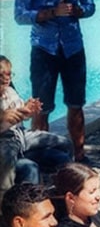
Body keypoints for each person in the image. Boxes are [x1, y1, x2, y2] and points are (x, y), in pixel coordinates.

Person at [14, 0, 95, 163]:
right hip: (43, 49)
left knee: (76, 103)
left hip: (72, 48)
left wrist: (78, 11)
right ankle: (41, 158)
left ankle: (79, 156)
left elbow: (90, 7)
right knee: (41, 107)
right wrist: (50, 12)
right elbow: (19, 15)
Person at [1, 55, 72, 202]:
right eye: (1, 74)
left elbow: (21, 115)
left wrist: (27, 110)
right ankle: (10, 205)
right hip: (5, 142)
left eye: (8, 73)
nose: (6, 78)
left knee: (64, 145)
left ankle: (68, 193)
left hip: (20, 135)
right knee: (29, 168)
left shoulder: (9, 91)